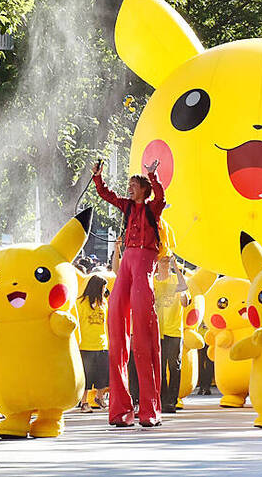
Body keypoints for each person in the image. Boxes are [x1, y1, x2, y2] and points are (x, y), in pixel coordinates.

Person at [92, 158, 165, 427]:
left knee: (143, 336)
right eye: (130, 185)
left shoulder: (152, 208)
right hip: (126, 265)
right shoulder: (125, 207)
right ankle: (121, 410)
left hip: (145, 263)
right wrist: (98, 177)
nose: (130, 189)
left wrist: (152, 175)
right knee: (115, 324)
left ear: (144, 190)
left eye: (134, 185)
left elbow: (161, 195)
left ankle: (150, 410)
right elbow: (106, 194)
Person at [154, 253, 188, 413]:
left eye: (167, 260)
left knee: (174, 366)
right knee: (159, 367)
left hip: (174, 331)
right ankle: (163, 399)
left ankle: (172, 400)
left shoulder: (176, 280)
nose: (165, 263)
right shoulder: (152, 280)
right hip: (157, 330)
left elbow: (185, 294)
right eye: (163, 260)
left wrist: (176, 266)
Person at [77, 274, 110, 413]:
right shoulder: (80, 303)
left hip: (102, 344)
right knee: (87, 377)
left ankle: (100, 396)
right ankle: (84, 402)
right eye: (103, 287)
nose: (104, 290)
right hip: (86, 345)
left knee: (105, 376)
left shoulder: (104, 303)